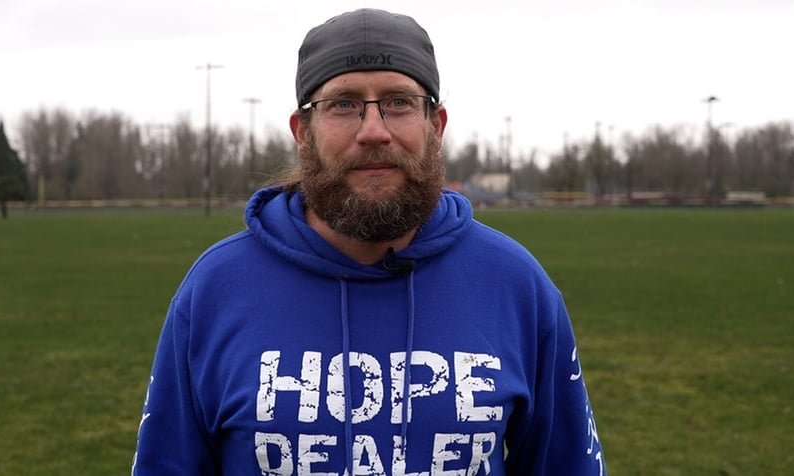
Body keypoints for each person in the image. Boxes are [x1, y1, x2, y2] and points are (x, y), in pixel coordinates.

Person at [133, 8, 605, 475]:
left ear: (435, 127)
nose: (374, 131)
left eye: (398, 101)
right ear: (303, 134)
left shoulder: (516, 284)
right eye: (343, 104)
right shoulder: (215, 289)